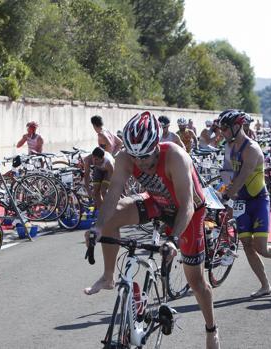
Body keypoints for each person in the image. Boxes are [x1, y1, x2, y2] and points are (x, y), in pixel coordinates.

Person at [83, 111, 220, 348]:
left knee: (196, 281)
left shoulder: (176, 156)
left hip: (188, 212)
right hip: (157, 200)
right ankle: (108, 276)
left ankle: (211, 329)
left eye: (146, 157)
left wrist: (174, 240)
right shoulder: (127, 157)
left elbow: (187, 204)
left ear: (157, 145)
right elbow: (114, 193)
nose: (141, 164)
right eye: (136, 158)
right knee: (111, 217)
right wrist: (97, 227)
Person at [218, 109, 271, 298]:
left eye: (225, 129)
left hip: (258, 200)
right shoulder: (231, 147)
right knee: (247, 244)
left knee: (261, 247)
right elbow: (229, 174)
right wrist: (223, 192)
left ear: (237, 127)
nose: (222, 132)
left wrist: (226, 196)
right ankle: (265, 285)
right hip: (242, 201)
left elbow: (243, 177)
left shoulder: (251, 148)